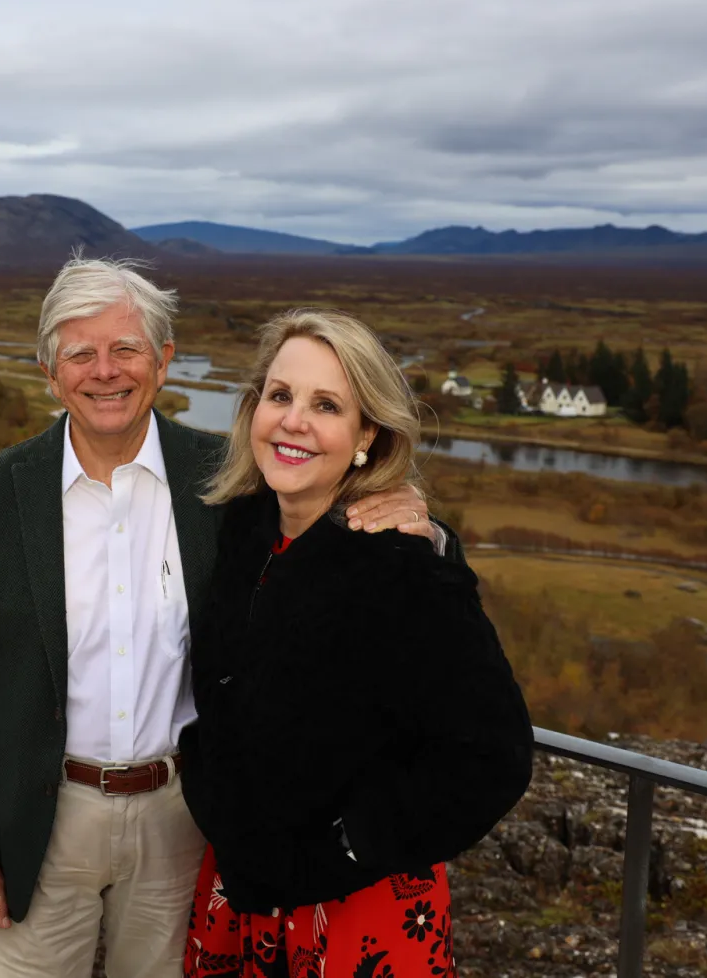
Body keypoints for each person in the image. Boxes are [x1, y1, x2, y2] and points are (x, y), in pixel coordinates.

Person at [0, 259, 445, 978]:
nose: (106, 371)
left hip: (182, 822)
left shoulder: (227, 482)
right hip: (38, 821)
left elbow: (331, 527)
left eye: (126, 348)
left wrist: (427, 530)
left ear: (163, 361)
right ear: (50, 371)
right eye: (81, 353)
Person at [179, 308, 533, 978]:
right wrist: (212, 788)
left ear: (367, 432)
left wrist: (351, 845)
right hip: (246, 890)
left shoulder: (405, 569)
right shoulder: (244, 534)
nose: (293, 421)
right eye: (279, 396)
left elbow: (495, 755)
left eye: (327, 405)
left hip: (353, 912)